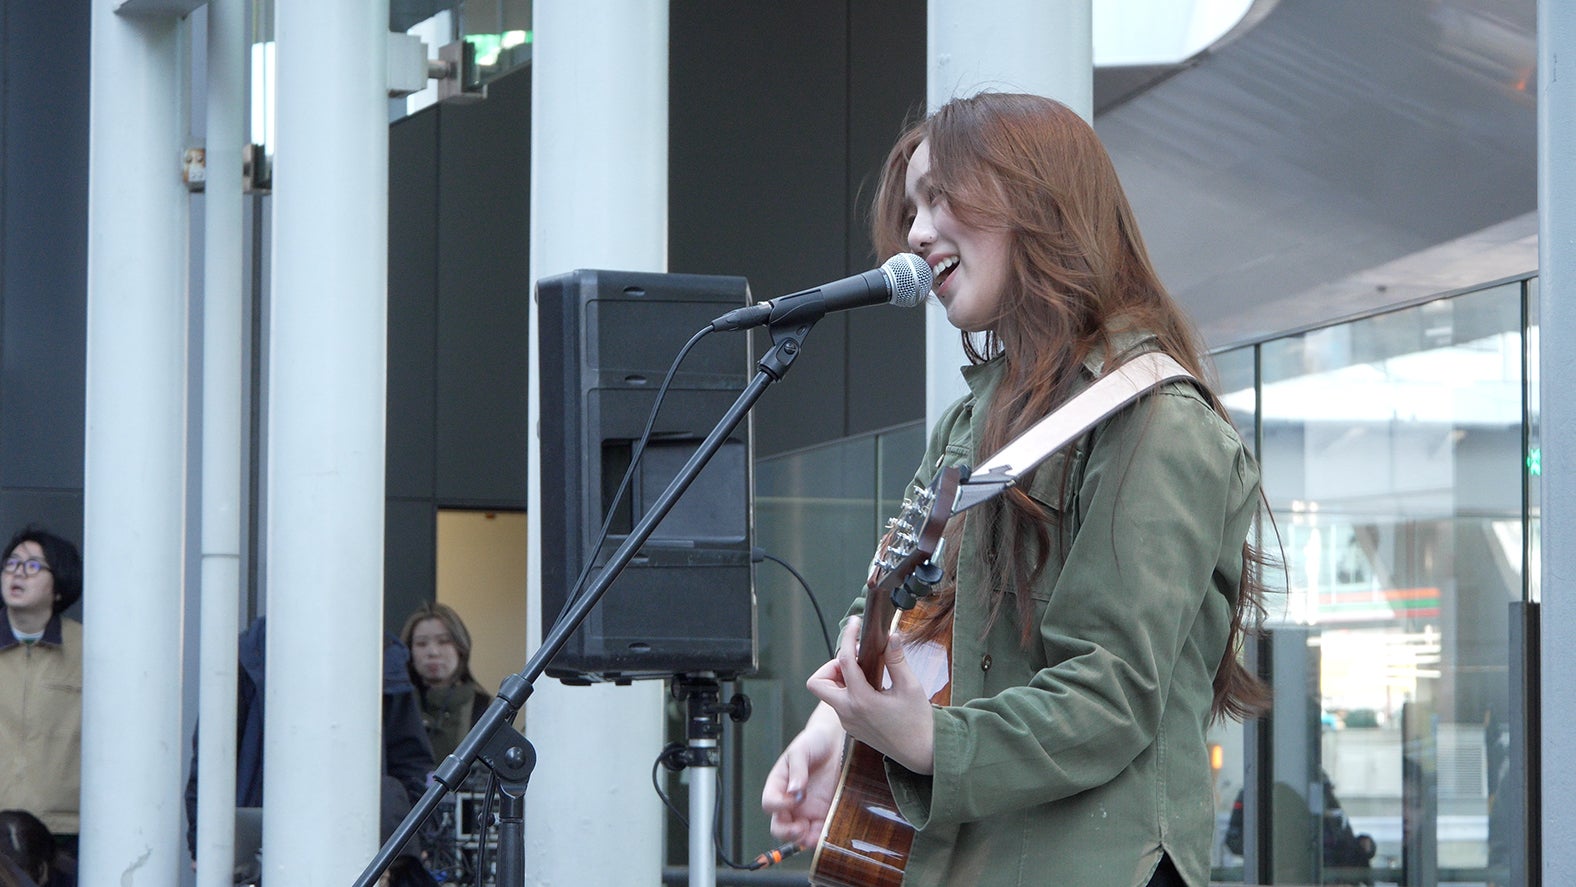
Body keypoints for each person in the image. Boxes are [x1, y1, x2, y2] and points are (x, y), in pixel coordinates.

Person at [760, 93, 1270, 887]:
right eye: (912, 207)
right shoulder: (972, 417)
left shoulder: (1158, 420)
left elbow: (1110, 693)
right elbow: (922, 618)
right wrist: (843, 725)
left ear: (1036, 202)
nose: (917, 232)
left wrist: (924, 742)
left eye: (940, 198)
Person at [184, 615, 435, 859]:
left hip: (355, 843)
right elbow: (212, 759)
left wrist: (412, 839)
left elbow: (411, 763)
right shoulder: (249, 655)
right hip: (268, 846)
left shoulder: (383, 657)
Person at [0, 527, 84, 863]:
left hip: (63, 832)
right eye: (12, 563)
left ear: (59, 587)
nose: (18, 573)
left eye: (33, 566)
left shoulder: (88, 650)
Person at [399, 603, 490, 763]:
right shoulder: (398, 705)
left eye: (443, 641)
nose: (433, 652)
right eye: (421, 643)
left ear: (460, 647)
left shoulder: (485, 708)